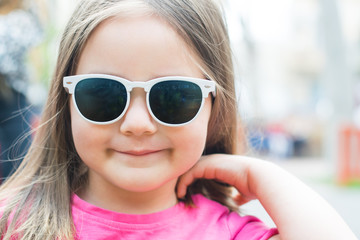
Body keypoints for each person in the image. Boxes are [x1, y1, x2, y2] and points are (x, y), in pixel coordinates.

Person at [0, 0, 357, 239]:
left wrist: (262, 176)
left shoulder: (229, 233)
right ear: (67, 102)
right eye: (104, 93)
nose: (137, 124)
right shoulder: (13, 222)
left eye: (173, 96)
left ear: (214, 107)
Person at [0, 0, 42, 180]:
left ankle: (15, 199)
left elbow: (6, 56)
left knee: (17, 152)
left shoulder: (23, 19)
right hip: (10, 92)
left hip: (12, 92)